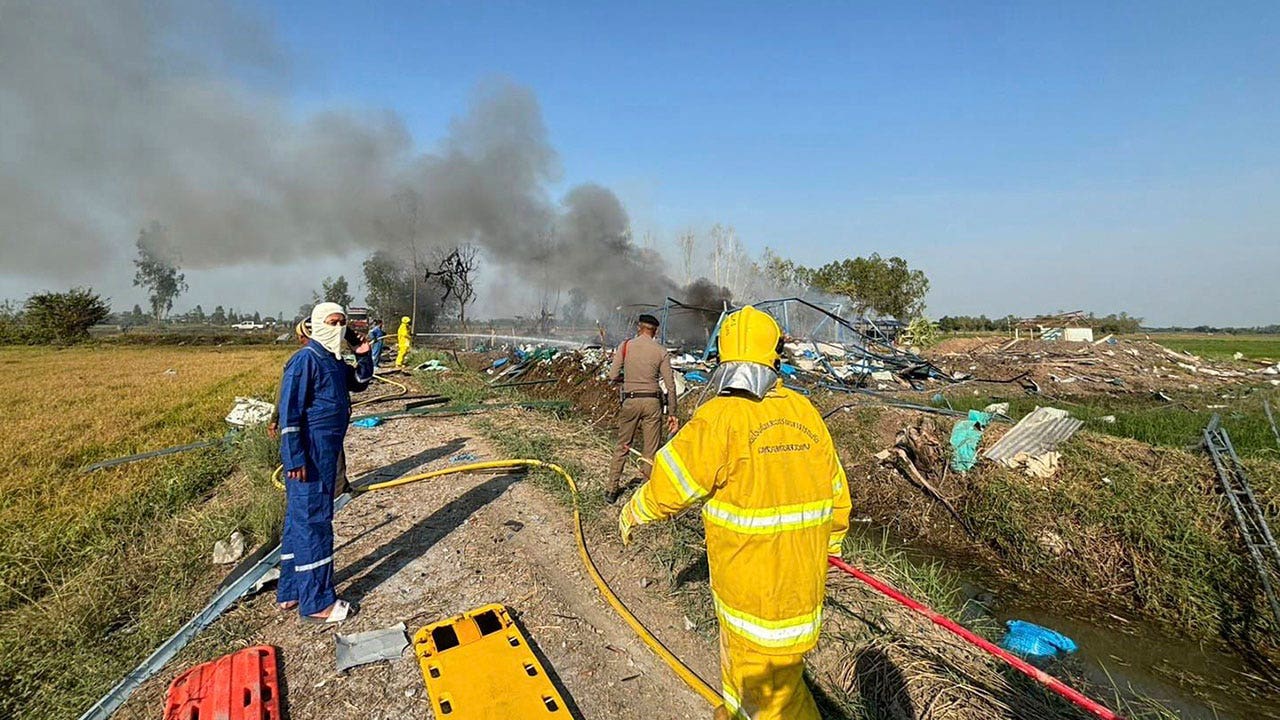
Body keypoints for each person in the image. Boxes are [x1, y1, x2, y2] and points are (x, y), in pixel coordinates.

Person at [618, 306, 851, 720]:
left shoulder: (720, 417)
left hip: (750, 596)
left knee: (773, 702)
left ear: (724, 356)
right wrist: (827, 549)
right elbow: (837, 496)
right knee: (773, 681)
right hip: (803, 590)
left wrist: (634, 511)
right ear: (773, 354)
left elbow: (672, 484)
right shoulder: (805, 413)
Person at [275, 302, 373, 624]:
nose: (338, 328)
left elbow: (359, 381)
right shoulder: (305, 361)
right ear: (317, 325)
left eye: (342, 323)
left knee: (298, 522)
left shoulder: (331, 361)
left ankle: (290, 591)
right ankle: (318, 601)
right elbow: (289, 415)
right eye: (332, 323)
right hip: (310, 453)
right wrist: (295, 458)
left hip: (326, 451)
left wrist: (362, 353)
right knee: (314, 522)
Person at [605, 313, 679, 504]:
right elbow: (670, 386)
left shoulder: (626, 346)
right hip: (653, 403)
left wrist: (629, 379)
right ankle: (644, 496)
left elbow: (612, 375)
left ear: (639, 327)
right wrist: (673, 414)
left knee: (623, 445)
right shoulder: (661, 351)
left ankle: (611, 490)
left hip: (630, 400)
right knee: (650, 450)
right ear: (656, 331)